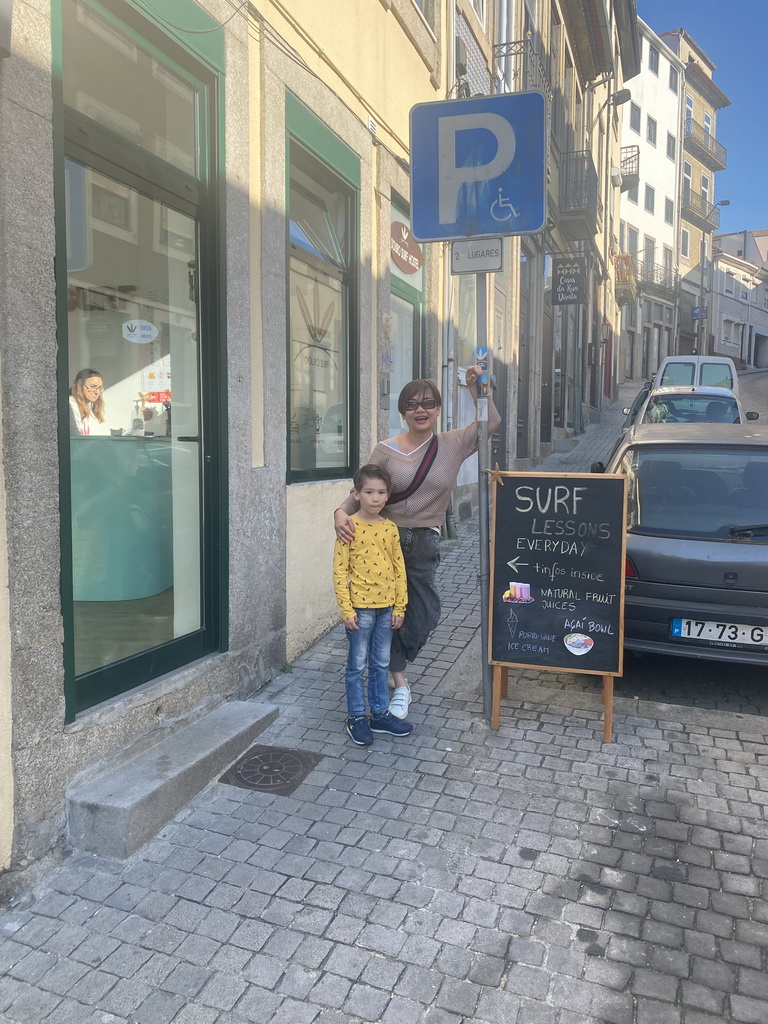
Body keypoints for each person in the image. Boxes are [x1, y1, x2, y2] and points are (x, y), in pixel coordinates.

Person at [334, 366, 500, 719]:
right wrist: (341, 511)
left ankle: (387, 663)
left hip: (424, 540)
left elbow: (491, 424)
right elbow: (364, 488)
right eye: (411, 404)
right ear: (403, 412)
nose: (420, 410)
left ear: (438, 408)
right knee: (383, 613)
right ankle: (399, 681)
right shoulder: (386, 450)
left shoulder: (453, 444)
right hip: (383, 540)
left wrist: (476, 389)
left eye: (427, 403)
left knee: (424, 613)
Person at [332, 464, 413, 747]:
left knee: (380, 663)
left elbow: (398, 567)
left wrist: (400, 606)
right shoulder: (348, 527)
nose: (376, 498)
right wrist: (346, 610)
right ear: (356, 494)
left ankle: (379, 714)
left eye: (381, 493)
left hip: (387, 608)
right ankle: (356, 717)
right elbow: (340, 571)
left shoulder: (390, 528)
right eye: (369, 492)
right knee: (357, 665)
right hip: (360, 610)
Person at [69, 368, 107, 436]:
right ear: (79, 386)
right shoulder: (71, 405)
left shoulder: (86, 407)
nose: (97, 392)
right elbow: (76, 438)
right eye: (93, 386)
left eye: (99, 388)